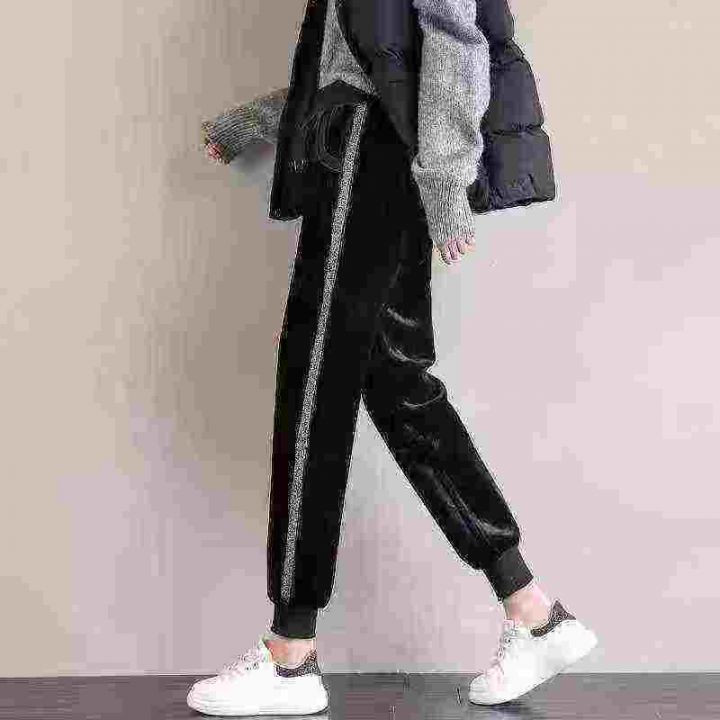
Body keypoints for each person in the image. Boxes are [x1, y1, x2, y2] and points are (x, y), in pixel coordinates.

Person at [188, 0, 598, 714]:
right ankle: (533, 613)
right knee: (397, 383)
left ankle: (290, 657)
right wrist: (257, 122)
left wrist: (444, 178)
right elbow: (366, 60)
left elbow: (452, 37)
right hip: (370, 147)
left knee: (315, 383)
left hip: (370, 153)